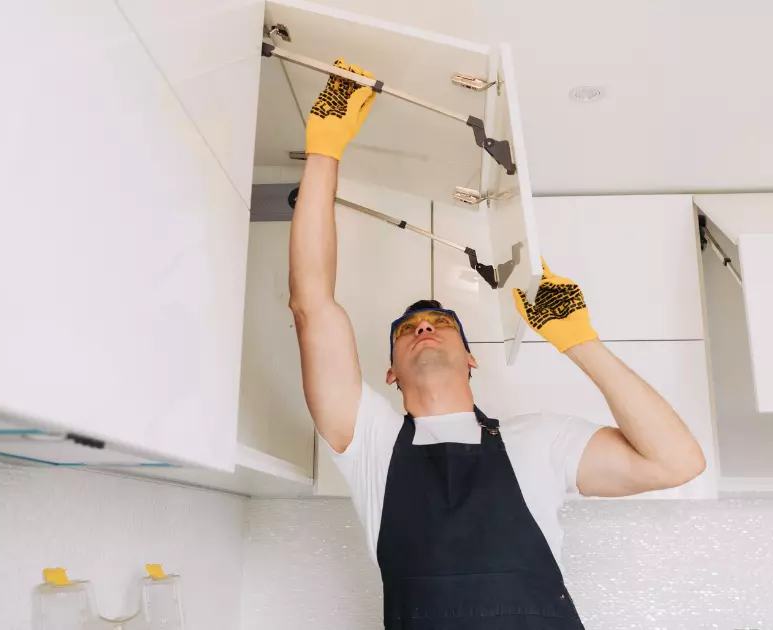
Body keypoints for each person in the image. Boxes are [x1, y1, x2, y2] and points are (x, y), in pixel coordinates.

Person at [288, 59, 707, 629]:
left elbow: (676, 463)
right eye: (408, 330)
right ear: (389, 374)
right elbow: (312, 303)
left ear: (471, 358)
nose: (424, 328)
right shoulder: (369, 444)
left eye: (439, 323)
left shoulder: (540, 439)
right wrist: (325, 149)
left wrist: (579, 342)